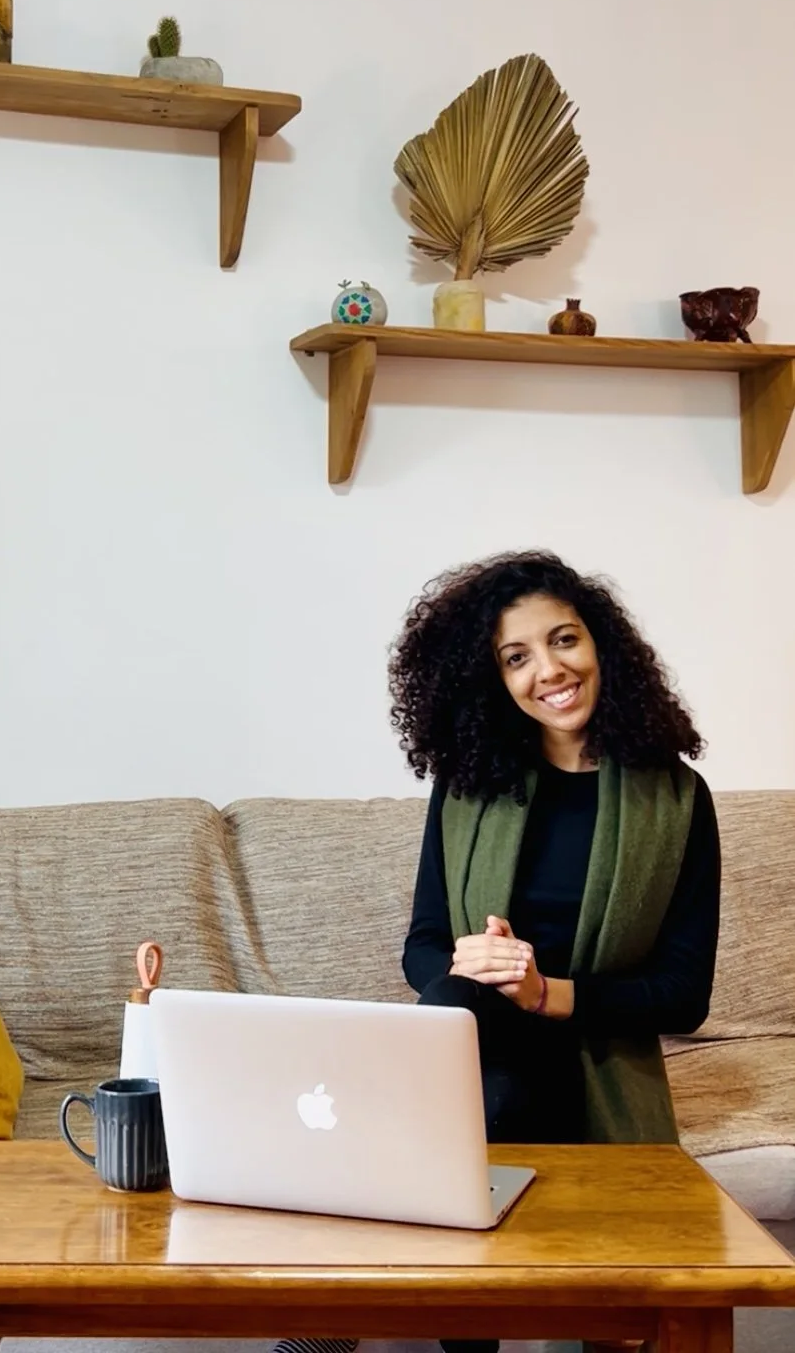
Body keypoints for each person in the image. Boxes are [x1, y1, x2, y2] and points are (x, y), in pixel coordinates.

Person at [273, 551, 720, 1353]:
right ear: (494, 678)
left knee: (482, 1076)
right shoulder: (468, 784)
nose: (548, 670)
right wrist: (473, 963)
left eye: (563, 640)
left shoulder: (677, 799)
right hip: (476, 1041)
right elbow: (422, 946)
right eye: (517, 657)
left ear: (602, 645)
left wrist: (545, 992)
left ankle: (341, 1307)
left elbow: (683, 994)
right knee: (466, 1021)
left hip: (588, 1054)